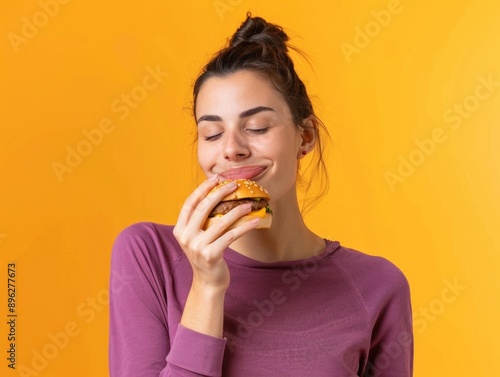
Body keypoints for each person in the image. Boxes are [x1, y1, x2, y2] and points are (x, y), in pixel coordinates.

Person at [109, 14, 413, 377]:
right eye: (211, 133)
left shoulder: (378, 286)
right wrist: (207, 286)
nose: (231, 149)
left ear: (305, 137)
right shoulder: (149, 256)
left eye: (256, 127)